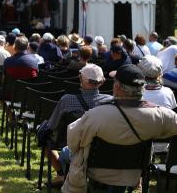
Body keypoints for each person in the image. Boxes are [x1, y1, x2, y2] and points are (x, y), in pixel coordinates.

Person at [62, 64, 177, 192]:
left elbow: (73, 143)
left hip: (97, 173)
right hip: (134, 174)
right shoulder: (161, 115)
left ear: (116, 86)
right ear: (142, 88)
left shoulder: (96, 115)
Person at [45, 64, 112, 186]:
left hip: (74, 149)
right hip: (104, 151)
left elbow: (51, 125)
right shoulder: (111, 101)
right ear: (102, 81)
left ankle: (61, 174)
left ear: (81, 79)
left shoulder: (67, 100)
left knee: (44, 136)